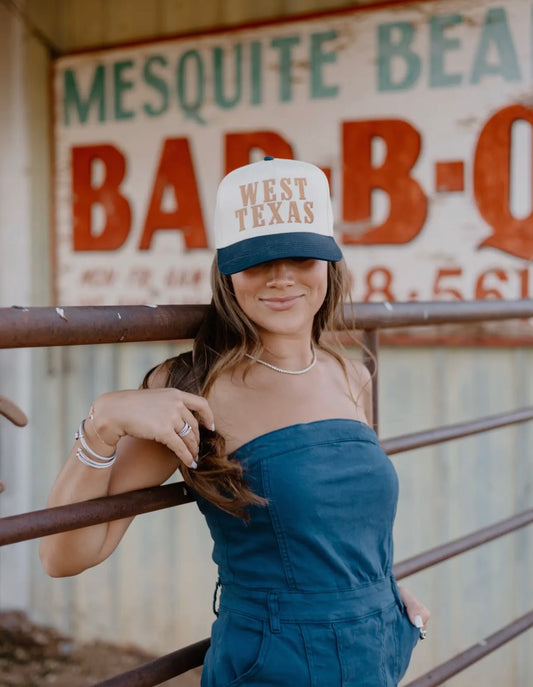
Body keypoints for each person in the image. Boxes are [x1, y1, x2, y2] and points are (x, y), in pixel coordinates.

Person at [40, 157, 430, 686]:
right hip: (274, 665)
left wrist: (373, 587)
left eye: (302, 257)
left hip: (374, 649)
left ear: (330, 264)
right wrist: (101, 424)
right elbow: (64, 556)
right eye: (258, 261)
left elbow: (346, 520)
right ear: (227, 270)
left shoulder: (353, 373)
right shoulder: (194, 391)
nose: (282, 278)